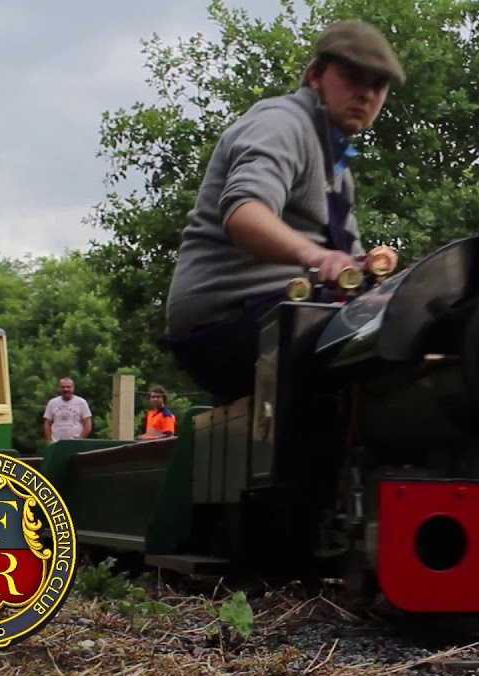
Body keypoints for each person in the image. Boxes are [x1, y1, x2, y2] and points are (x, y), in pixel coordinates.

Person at [162, 20, 405, 405]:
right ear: (315, 76)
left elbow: (351, 271)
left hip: (282, 314)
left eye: (377, 85)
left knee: (412, 312)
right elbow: (243, 212)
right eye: (351, 77)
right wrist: (315, 255)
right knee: (396, 338)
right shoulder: (282, 122)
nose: (364, 93)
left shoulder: (337, 167)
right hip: (225, 326)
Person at [43, 377, 92, 443]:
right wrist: (49, 441)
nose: (66, 389)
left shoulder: (81, 402)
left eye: (68, 387)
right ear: (59, 388)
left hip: (75, 443)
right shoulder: (52, 403)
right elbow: (47, 424)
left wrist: (80, 439)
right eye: (63, 387)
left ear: (73, 388)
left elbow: (87, 423)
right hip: (56, 443)